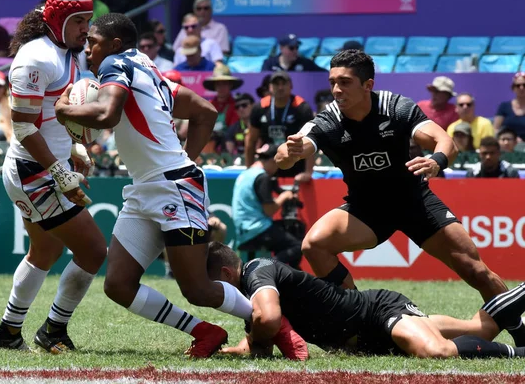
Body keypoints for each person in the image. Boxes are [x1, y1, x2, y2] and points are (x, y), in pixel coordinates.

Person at [274, 49, 525, 346]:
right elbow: (291, 151)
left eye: (345, 82)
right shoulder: (329, 120)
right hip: (366, 209)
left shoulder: (396, 107)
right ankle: (360, 322)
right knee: (314, 244)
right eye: (332, 82)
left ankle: (521, 335)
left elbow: (444, 141)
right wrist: (288, 153)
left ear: (368, 85)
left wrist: (437, 160)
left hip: (413, 202)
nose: (336, 90)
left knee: (476, 270)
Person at [53, 12, 264, 358]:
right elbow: (205, 112)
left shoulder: (115, 64)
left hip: (171, 187)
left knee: (196, 289)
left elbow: (107, 115)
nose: (88, 49)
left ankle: (275, 322)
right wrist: (187, 159)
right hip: (148, 187)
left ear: (115, 45)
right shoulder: (149, 69)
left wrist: (64, 110)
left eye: (93, 42)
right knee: (118, 285)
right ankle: (205, 332)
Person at [0, 0, 107, 354]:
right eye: (79, 21)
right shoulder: (35, 58)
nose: (85, 30)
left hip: (41, 167)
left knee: (44, 252)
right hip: (34, 171)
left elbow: (53, 115)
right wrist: (60, 170)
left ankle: (7, 332)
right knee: (94, 251)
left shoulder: (67, 51)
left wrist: (73, 145)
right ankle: (53, 329)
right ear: (58, 19)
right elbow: (22, 126)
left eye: (88, 21)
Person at [206, 242, 525, 360]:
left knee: (434, 351)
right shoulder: (248, 294)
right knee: (480, 330)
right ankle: (514, 318)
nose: (204, 294)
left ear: (224, 272)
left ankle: (519, 351)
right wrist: (231, 349)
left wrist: (258, 334)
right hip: (368, 338)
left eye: (206, 285)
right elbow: (259, 338)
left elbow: (270, 321)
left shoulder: (256, 273)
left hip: (377, 312)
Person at [232, 144, 302, 268]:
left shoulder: (246, 173)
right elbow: (269, 210)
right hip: (257, 229)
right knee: (298, 246)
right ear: (272, 160)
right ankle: (265, 268)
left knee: (286, 238)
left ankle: (284, 276)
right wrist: (284, 196)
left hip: (244, 230)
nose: (278, 169)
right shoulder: (262, 177)